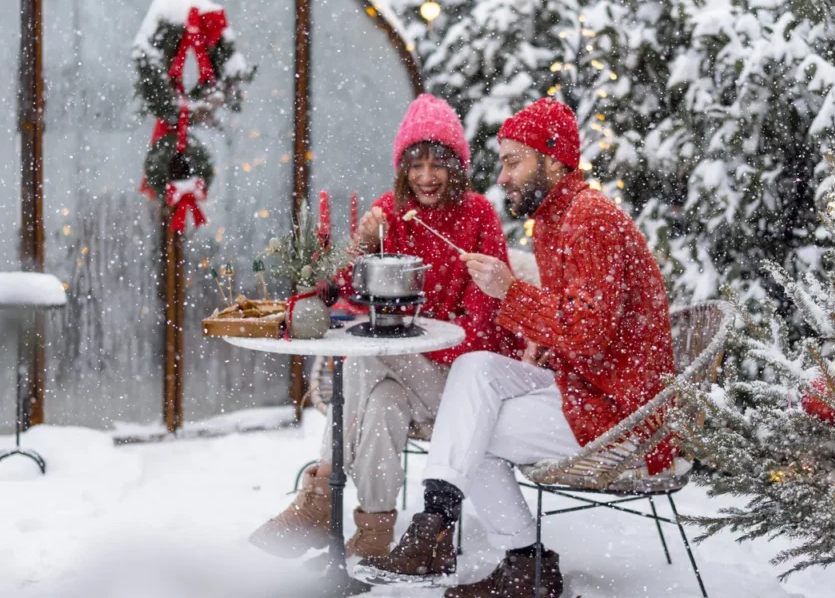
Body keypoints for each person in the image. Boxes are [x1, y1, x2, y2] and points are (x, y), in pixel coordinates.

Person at [357, 98, 676, 598]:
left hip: (619, 410)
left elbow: (590, 332)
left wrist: (511, 292)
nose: (501, 177)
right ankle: (441, 524)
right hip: (586, 385)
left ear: (552, 160)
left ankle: (514, 559)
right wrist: (543, 341)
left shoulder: (588, 218)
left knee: (472, 429)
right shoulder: (555, 218)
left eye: (512, 162)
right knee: (477, 369)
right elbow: (583, 322)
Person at [249, 94, 519, 560]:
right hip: (397, 377)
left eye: (439, 163)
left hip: (460, 391)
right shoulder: (388, 214)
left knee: (367, 357)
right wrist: (358, 245)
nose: (427, 177)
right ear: (402, 168)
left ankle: (319, 496)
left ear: (458, 166)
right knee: (381, 403)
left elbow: (484, 333)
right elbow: (340, 294)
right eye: (416, 164)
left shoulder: (478, 217)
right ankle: (374, 533)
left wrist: (420, 343)